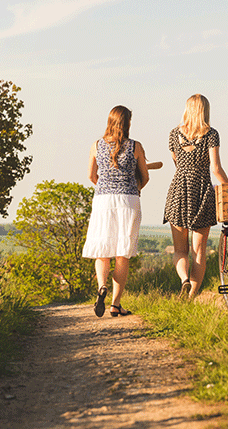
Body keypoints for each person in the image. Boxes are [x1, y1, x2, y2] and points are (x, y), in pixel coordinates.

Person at [82, 105, 150, 317]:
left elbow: (92, 176)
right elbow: (145, 177)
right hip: (128, 200)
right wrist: (134, 187)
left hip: (103, 200)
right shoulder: (135, 147)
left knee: (102, 251)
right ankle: (115, 304)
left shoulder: (96, 145)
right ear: (128, 123)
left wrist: (106, 187)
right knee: (122, 253)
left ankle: (102, 286)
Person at [163, 94, 228, 299]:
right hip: (201, 190)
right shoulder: (211, 134)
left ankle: (184, 278)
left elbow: (177, 164)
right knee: (198, 252)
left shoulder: (174, 134)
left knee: (179, 251)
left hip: (178, 191)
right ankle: (190, 297)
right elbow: (216, 169)